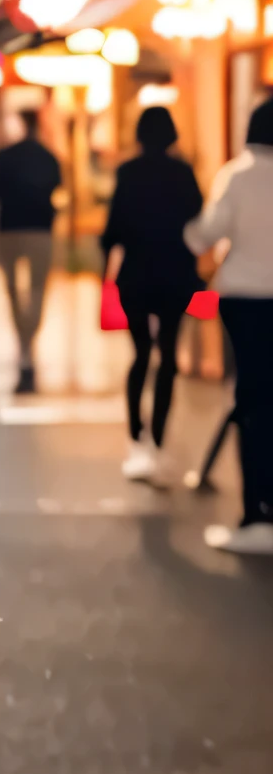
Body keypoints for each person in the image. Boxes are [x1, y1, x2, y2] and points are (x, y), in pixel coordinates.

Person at [186, 97, 273, 553]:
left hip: (245, 301)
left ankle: (256, 513)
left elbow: (207, 233)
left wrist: (187, 235)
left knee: (254, 399)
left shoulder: (239, 175)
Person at [102, 104, 203, 486]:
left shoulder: (128, 172)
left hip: (137, 275)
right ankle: (159, 436)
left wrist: (106, 265)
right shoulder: (183, 173)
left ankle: (136, 435)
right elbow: (197, 216)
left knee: (141, 353)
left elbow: (113, 229)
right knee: (170, 356)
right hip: (175, 274)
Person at [0, 108, 61, 393]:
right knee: (38, 288)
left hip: (10, 227)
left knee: (13, 290)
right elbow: (57, 187)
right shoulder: (48, 156)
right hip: (41, 227)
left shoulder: (6, 156)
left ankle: (23, 343)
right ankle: (28, 343)